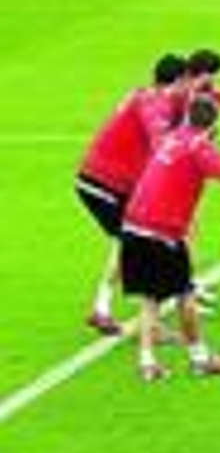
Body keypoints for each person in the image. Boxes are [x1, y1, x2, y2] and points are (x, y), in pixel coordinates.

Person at [119, 99, 220, 381]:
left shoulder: (171, 137)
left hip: (132, 225)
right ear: (212, 125)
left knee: (150, 298)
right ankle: (200, 358)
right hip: (162, 232)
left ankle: (147, 363)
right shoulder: (199, 146)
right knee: (184, 295)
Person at [76, 53, 189, 335]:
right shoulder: (156, 103)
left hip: (103, 181)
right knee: (140, 243)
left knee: (129, 241)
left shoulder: (145, 94)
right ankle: (146, 323)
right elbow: (160, 141)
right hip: (105, 184)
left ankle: (103, 308)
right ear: (178, 80)